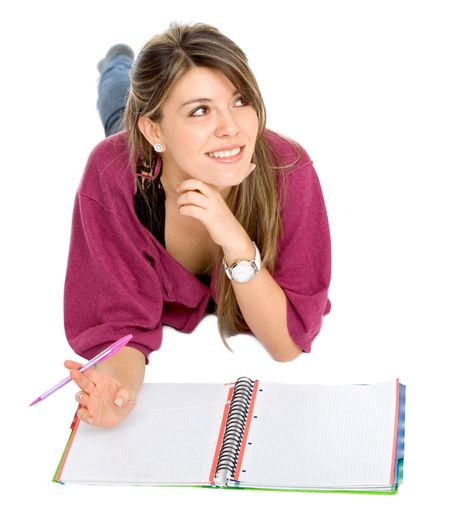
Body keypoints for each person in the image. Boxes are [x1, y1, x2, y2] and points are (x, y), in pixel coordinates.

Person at [63, 22, 332, 428]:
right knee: (118, 106)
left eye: (240, 100)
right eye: (201, 110)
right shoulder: (112, 173)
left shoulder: (287, 169)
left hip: (173, 157)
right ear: (155, 129)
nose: (232, 128)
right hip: (142, 155)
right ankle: (118, 65)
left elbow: (286, 344)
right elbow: (118, 325)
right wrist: (119, 392)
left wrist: (235, 239)